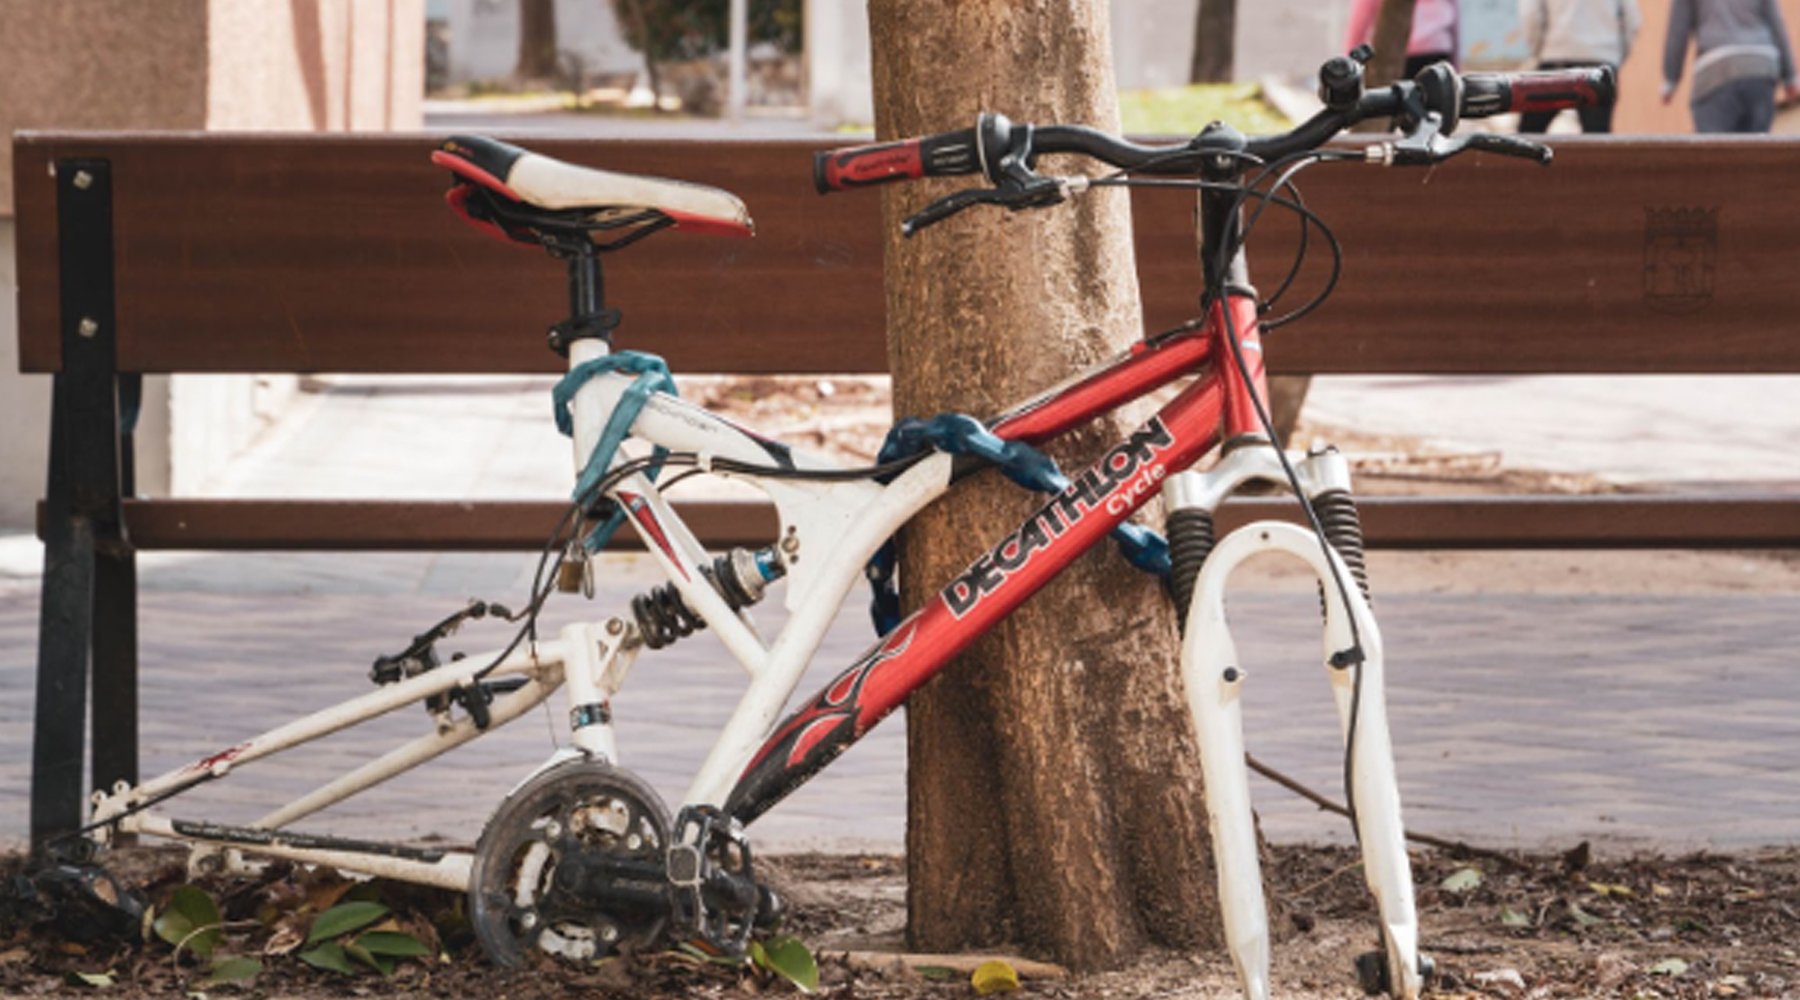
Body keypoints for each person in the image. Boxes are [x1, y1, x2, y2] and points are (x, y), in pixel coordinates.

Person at [1662, 0, 1800, 133]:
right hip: (1759, 66)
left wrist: (1671, 79)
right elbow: (1776, 22)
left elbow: (1678, 28)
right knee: (1755, 149)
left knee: (1715, 150)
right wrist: (1790, 76)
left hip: (1715, 70)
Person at [1519, 0, 1642, 132]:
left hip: (1556, 58)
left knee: (1529, 135)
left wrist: (1539, 51)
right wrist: (1615, 56)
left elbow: (1531, 15)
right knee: (1597, 140)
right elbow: (1633, 21)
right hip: (1601, 61)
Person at [1345, 0, 1461, 78]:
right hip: (1438, 49)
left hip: (1406, 54)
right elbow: (1455, 25)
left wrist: (1349, 64)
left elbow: (1360, 22)